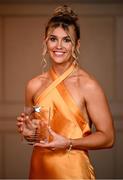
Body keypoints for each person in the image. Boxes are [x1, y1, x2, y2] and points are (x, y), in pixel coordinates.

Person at [17, 5, 115, 179]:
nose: (59, 46)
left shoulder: (88, 85)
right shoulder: (33, 85)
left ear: (76, 44)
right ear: (45, 42)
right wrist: (28, 131)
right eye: (53, 39)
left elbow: (108, 138)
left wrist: (68, 142)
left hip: (73, 172)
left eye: (66, 40)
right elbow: (35, 127)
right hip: (39, 169)